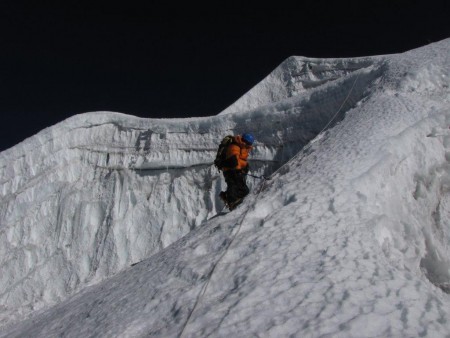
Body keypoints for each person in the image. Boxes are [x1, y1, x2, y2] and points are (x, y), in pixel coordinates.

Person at [219, 133, 254, 210]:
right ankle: (232, 204)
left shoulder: (243, 147)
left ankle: (227, 197)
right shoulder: (235, 146)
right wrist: (239, 169)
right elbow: (234, 160)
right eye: (248, 143)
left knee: (242, 190)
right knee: (234, 188)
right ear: (245, 141)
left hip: (236, 171)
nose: (249, 145)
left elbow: (241, 160)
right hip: (230, 171)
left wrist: (244, 167)